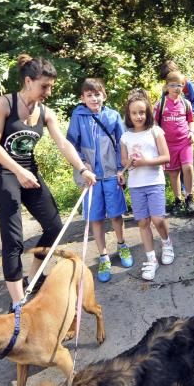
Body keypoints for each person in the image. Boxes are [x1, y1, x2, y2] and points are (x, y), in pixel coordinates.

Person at [0, 55, 96, 306]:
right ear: (28, 81)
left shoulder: (46, 112)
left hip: (29, 172)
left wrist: (82, 169)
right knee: (13, 239)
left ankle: (34, 275)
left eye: (51, 86)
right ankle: (17, 303)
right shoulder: (4, 104)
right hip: (3, 173)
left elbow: (63, 143)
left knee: (55, 227)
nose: (49, 91)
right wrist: (18, 172)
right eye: (44, 86)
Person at [66, 78, 133, 283]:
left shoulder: (112, 116)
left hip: (112, 174)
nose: (94, 98)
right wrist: (82, 165)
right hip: (90, 178)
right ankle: (103, 256)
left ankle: (122, 245)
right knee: (95, 218)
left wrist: (122, 169)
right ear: (82, 98)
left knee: (115, 214)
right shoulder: (78, 116)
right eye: (89, 95)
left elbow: (123, 144)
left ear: (104, 95)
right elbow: (71, 144)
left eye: (97, 94)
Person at [119, 91, 174, 281]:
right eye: (134, 113)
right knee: (143, 222)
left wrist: (145, 161)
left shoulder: (155, 131)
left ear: (148, 112)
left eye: (142, 112)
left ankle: (166, 244)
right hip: (136, 185)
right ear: (129, 114)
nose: (138, 116)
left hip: (155, 182)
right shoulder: (125, 136)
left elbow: (166, 157)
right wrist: (124, 169)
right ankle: (151, 259)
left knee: (158, 219)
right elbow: (124, 160)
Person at [154, 70, 194, 216]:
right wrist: (157, 138)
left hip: (185, 142)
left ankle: (189, 198)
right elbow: (154, 123)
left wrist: (192, 132)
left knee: (188, 168)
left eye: (180, 85)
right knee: (173, 173)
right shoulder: (160, 104)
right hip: (168, 144)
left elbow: (191, 121)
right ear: (166, 86)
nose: (176, 88)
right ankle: (177, 200)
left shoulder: (186, 103)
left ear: (183, 86)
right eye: (173, 85)